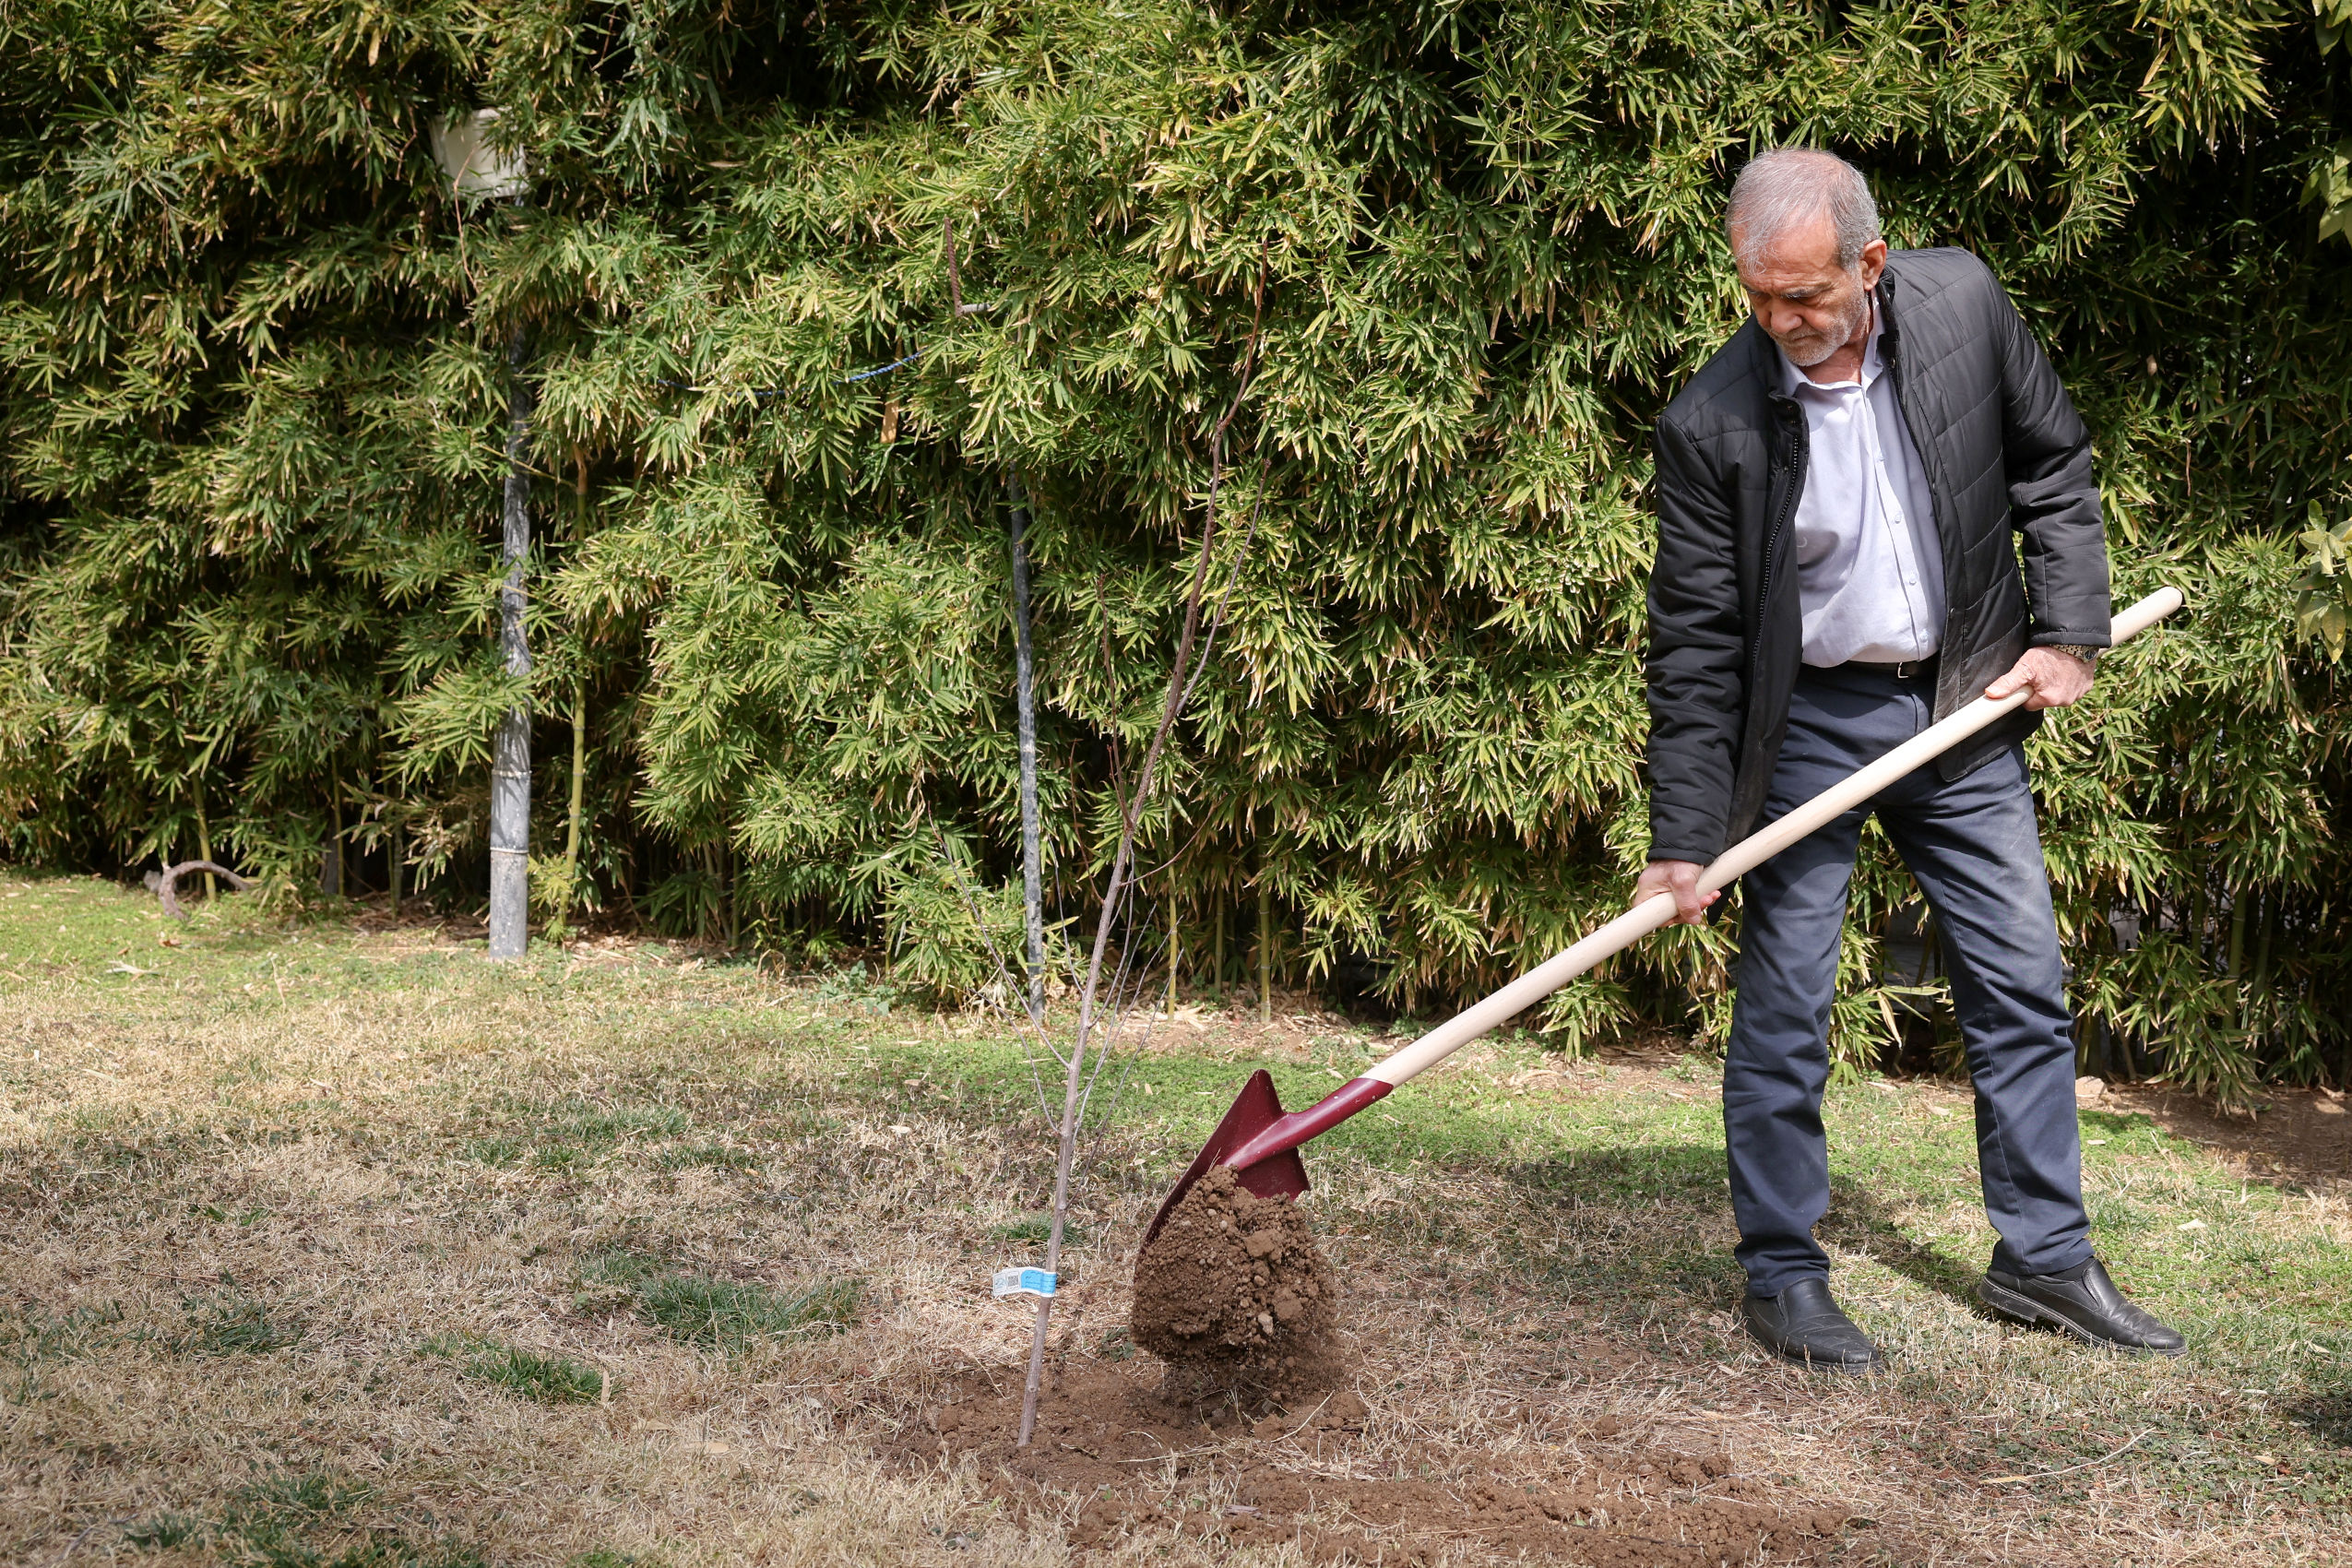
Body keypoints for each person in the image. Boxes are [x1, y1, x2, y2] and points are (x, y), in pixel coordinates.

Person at [1639, 148, 2183, 1369]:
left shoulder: (1963, 308)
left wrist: (2067, 633)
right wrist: (1682, 839)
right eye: (1758, 297)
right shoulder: (1711, 421)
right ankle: (1780, 1272)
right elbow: (1692, 649)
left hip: (1957, 700)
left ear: (1869, 265)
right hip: (1807, 728)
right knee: (1782, 1006)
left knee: (2020, 979)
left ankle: (2040, 1262)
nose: (1781, 323)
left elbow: (2052, 462)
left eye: (1806, 298)